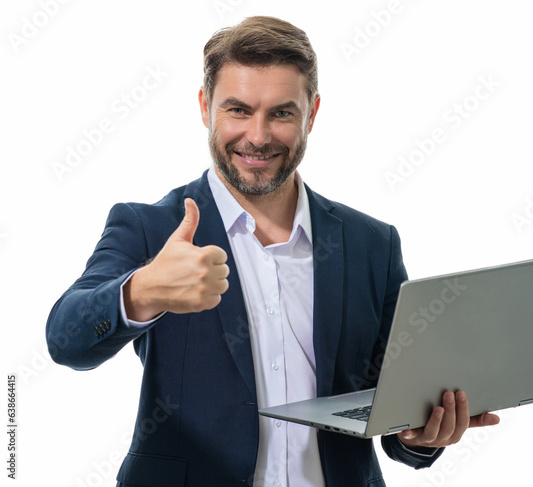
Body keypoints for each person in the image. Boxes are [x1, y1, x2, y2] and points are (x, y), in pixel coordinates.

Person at [45, 16, 498, 487]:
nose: (258, 137)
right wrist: (141, 292)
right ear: (205, 107)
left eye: (281, 113)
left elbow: (394, 406)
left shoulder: (372, 244)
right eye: (238, 110)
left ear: (312, 113)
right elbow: (65, 340)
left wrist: (418, 436)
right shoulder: (150, 228)